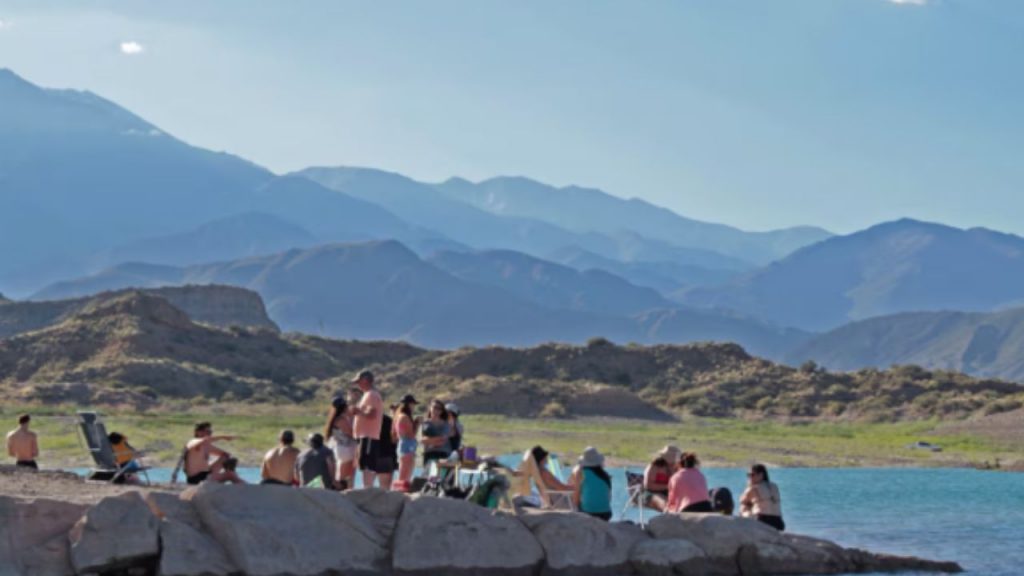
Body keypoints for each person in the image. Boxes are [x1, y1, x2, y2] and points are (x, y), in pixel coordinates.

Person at [352, 370, 386, 488]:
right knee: (365, 463)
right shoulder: (368, 394)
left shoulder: (371, 394)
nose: (357, 384)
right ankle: (367, 487)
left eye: (359, 382)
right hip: (365, 435)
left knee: (367, 464)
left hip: (368, 435)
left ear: (365, 380)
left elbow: (372, 414)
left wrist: (357, 411)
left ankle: (367, 488)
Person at [325, 394, 358, 489]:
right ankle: (341, 494)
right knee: (344, 476)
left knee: (348, 475)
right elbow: (352, 433)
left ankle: (346, 493)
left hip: (345, 449)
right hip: (345, 450)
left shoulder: (337, 419)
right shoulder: (341, 420)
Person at [571, 446, 613, 521]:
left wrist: (576, 509)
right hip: (606, 513)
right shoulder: (605, 475)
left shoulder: (580, 473)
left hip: (588, 513)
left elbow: (576, 498)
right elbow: (609, 498)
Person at [740, 464, 785, 531]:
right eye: (748, 475)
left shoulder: (753, 488)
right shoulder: (774, 486)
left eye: (752, 475)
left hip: (763, 521)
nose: (749, 478)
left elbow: (742, 501)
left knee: (744, 506)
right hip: (778, 522)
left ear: (761, 475)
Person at [392, 394, 419, 492]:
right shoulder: (404, 417)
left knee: (405, 472)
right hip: (407, 446)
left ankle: (401, 491)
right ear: (408, 405)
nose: (413, 407)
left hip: (405, 445)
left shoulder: (399, 416)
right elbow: (411, 434)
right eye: (412, 404)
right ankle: (400, 492)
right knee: (405, 473)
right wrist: (417, 424)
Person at [643, 445, 680, 512]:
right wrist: (667, 487)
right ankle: (670, 514)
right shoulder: (655, 466)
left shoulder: (677, 468)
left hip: (669, 493)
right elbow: (648, 486)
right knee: (662, 501)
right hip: (651, 493)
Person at [420, 400, 452, 466]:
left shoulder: (445, 424)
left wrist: (429, 440)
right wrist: (434, 440)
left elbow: (442, 441)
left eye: (439, 409)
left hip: (442, 454)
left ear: (442, 411)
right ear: (430, 408)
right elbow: (421, 440)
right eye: (434, 407)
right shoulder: (424, 423)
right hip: (428, 454)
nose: (436, 410)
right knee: (428, 476)